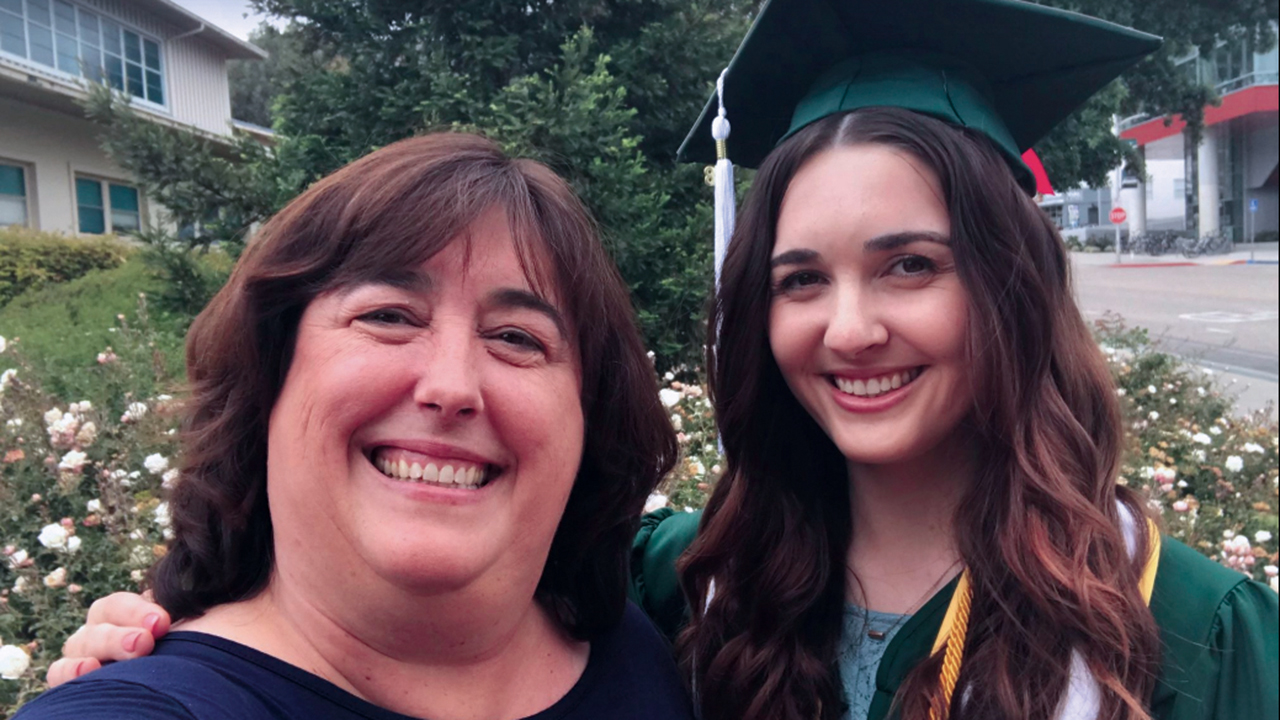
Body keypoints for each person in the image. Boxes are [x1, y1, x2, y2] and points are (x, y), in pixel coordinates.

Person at [46, 1, 1280, 719]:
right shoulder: (686, 580)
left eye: (911, 265)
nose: (847, 327)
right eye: (800, 280)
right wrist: (158, 622)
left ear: (1009, 287)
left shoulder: (1177, 628)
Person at [14, 132, 694, 720]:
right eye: (389, 316)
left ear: (588, 419)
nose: (451, 386)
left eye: (517, 337)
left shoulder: (648, 647)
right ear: (270, 374)